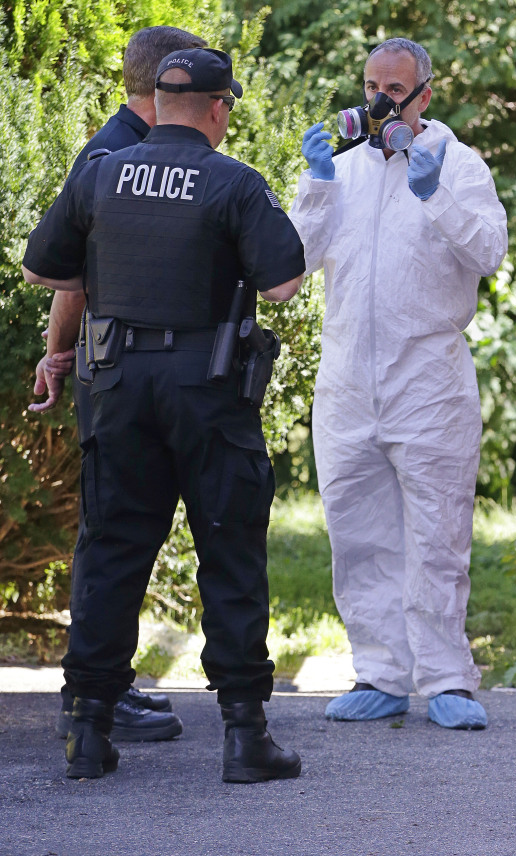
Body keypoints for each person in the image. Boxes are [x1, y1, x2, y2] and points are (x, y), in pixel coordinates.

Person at [22, 47, 306, 783]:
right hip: (206, 391)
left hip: (115, 385)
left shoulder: (100, 171)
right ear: (219, 107)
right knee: (229, 551)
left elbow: (44, 269)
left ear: (156, 101)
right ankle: (245, 737)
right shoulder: (234, 181)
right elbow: (283, 287)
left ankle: (87, 729)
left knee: (112, 551)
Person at [289, 37, 508, 730]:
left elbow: (489, 252)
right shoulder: (344, 170)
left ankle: (446, 678)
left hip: (428, 380)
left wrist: (433, 189)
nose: (380, 100)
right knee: (358, 533)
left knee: (437, 533)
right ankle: (380, 672)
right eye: (371, 85)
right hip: (348, 378)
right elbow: (291, 265)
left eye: (395, 89)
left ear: (425, 95)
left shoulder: (460, 166)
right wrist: (317, 184)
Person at [30, 26, 207, 745]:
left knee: (120, 531)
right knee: (114, 533)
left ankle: (105, 687)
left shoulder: (118, 146)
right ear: (170, 83)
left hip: (117, 369)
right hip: (119, 369)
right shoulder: (117, 155)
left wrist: (56, 354)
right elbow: (69, 273)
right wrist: (58, 352)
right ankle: (96, 692)